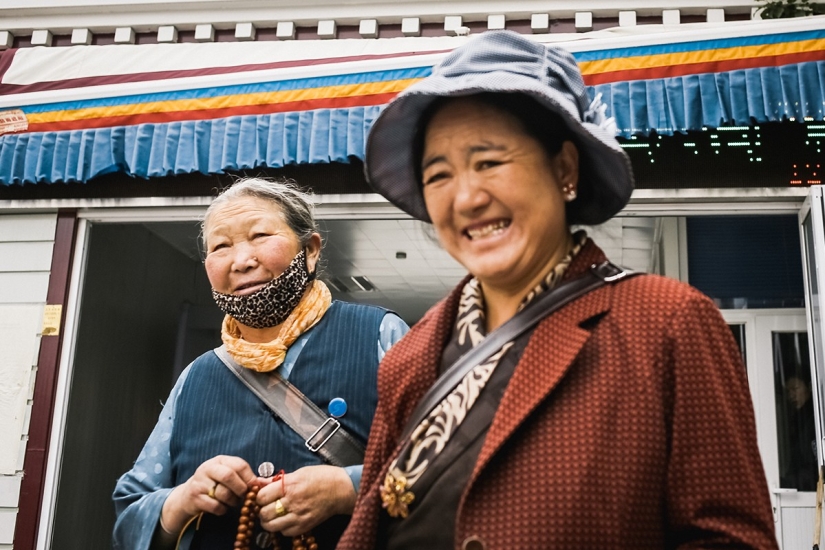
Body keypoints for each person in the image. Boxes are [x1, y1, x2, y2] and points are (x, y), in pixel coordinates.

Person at [337, 31, 778, 549]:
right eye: (438, 175)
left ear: (565, 169)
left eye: (490, 162)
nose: (467, 197)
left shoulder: (667, 324)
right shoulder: (409, 358)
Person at [112, 178, 408, 550]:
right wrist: (182, 500)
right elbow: (129, 515)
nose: (241, 261)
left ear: (311, 250)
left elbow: (448, 469)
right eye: (221, 246)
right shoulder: (197, 377)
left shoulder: (380, 334)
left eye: (260, 236)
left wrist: (346, 488)